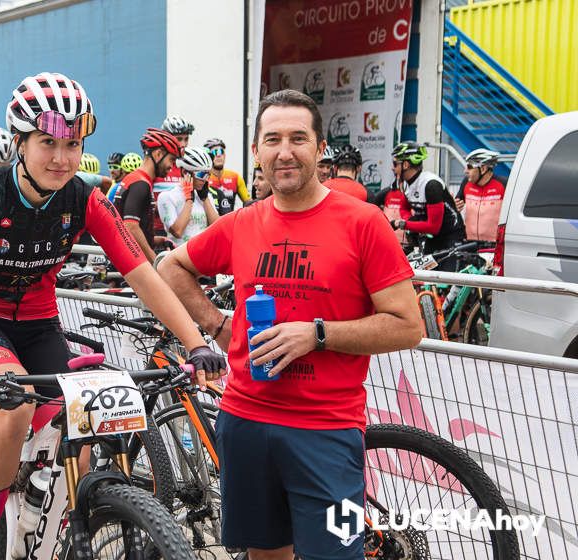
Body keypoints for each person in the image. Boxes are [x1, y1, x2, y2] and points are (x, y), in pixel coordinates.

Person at [0, 72, 225, 559]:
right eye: (48, 142)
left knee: (80, 424)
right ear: (20, 142)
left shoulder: (84, 197)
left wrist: (196, 344)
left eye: (73, 143)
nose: (62, 158)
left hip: (40, 323)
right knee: (14, 408)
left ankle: (53, 530)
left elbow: (145, 277)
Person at [158, 89, 421, 560]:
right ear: (256, 151)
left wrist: (317, 335)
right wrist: (219, 328)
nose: (285, 151)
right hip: (245, 422)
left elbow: (407, 325)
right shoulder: (242, 223)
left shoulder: (363, 222)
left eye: (298, 138)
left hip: (326, 432)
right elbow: (172, 268)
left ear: (320, 149)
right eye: (272, 139)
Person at [390, 142, 466, 268]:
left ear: (406, 164)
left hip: (450, 236)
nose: (392, 168)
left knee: (445, 281)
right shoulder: (405, 183)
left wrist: (402, 224)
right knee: (426, 278)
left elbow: (433, 227)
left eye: (395, 164)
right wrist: (410, 220)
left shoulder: (431, 185)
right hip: (431, 237)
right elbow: (404, 207)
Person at [113, 128, 182, 262]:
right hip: (130, 262)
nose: (172, 166)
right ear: (158, 154)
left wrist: (155, 240)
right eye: (171, 160)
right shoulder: (141, 184)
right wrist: (154, 260)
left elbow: (130, 227)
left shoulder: (136, 179)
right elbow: (130, 227)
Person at [156, 146, 219, 246]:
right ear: (185, 172)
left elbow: (217, 228)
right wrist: (189, 200)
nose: (205, 179)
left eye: (208, 175)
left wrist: (205, 199)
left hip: (203, 255)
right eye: (201, 174)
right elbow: (177, 231)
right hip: (180, 256)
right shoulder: (167, 196)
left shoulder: (205, 195)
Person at [153, 115, 195, 236]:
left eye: (186, 139)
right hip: (158, 230)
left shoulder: (187, 166)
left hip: (182, 229)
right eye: (179, 139)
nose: (183, 144)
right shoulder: (158, 165)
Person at [455, 148, 505, 243]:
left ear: (483, 168)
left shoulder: (504, 184)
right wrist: (454, 206)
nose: (465, 171)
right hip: (469, 244)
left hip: (494, 246)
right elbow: (456, 206)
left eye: (469, 167)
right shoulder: (466, 183)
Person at [205, 137, 250, 214]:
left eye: (221, 151)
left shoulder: (235, 177)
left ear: (225, 155)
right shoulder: (204, 178)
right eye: (215, 152)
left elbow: (248, 203)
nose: (218, 155)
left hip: (229, 222)